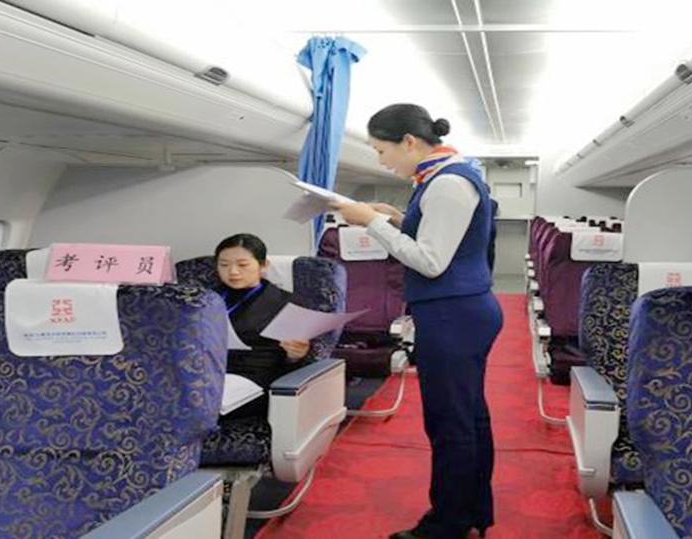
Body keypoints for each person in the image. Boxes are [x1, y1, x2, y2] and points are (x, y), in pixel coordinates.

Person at [332, 104, 503, 539]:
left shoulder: (446, 184)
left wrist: (373, 223)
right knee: (468, 418)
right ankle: (472, 513)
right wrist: (395, 218)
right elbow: (441, 237)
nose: (381, 160)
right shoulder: (445, 175)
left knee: (449, 423)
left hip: (453, 316)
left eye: (381, 150)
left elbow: (430, 260)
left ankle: (445, 525)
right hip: (461, 311)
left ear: (409, 141)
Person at [214, 233, 312, 419]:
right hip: (208, 372)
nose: (233, 271)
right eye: (224, 265)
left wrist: (294, 356)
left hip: (254, 378)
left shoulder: (286, 303)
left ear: (263, 265)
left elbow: (293, 364)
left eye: (243, 265)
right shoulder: (205, 298)